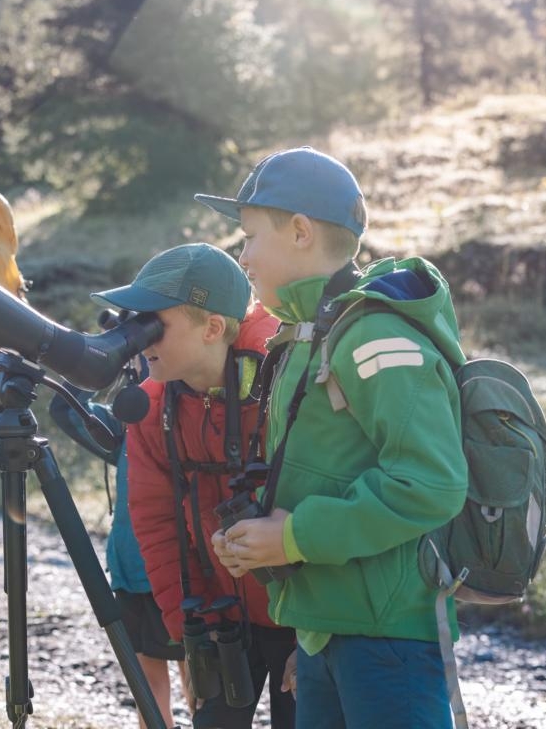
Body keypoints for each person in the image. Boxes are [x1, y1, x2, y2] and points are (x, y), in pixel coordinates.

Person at [201, 147, 469, 728]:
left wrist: (294, 536)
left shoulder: (373, 336)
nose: (242, 256)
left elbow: (430, 483)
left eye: (249, 237)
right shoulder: (305, 337)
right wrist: (262, 543)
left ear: (299, 231)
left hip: (386, 638)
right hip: (329, 630)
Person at [90, 243, 295, 729]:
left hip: (302, 615)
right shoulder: (152, 409)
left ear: (212, 327)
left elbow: (319, 503)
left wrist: (320, 640)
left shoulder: (283, 381)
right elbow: (157, 526)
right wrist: (193, 632)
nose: (139, 339)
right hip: (223, 616)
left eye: (153, 324)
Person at [47, 368, 194, 729]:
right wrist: (107, 362)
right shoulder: (129, 423)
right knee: (147, 685)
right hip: (130, 572)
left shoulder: (186, 415)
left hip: (180, 574)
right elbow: (65, 410)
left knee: (200, 683)